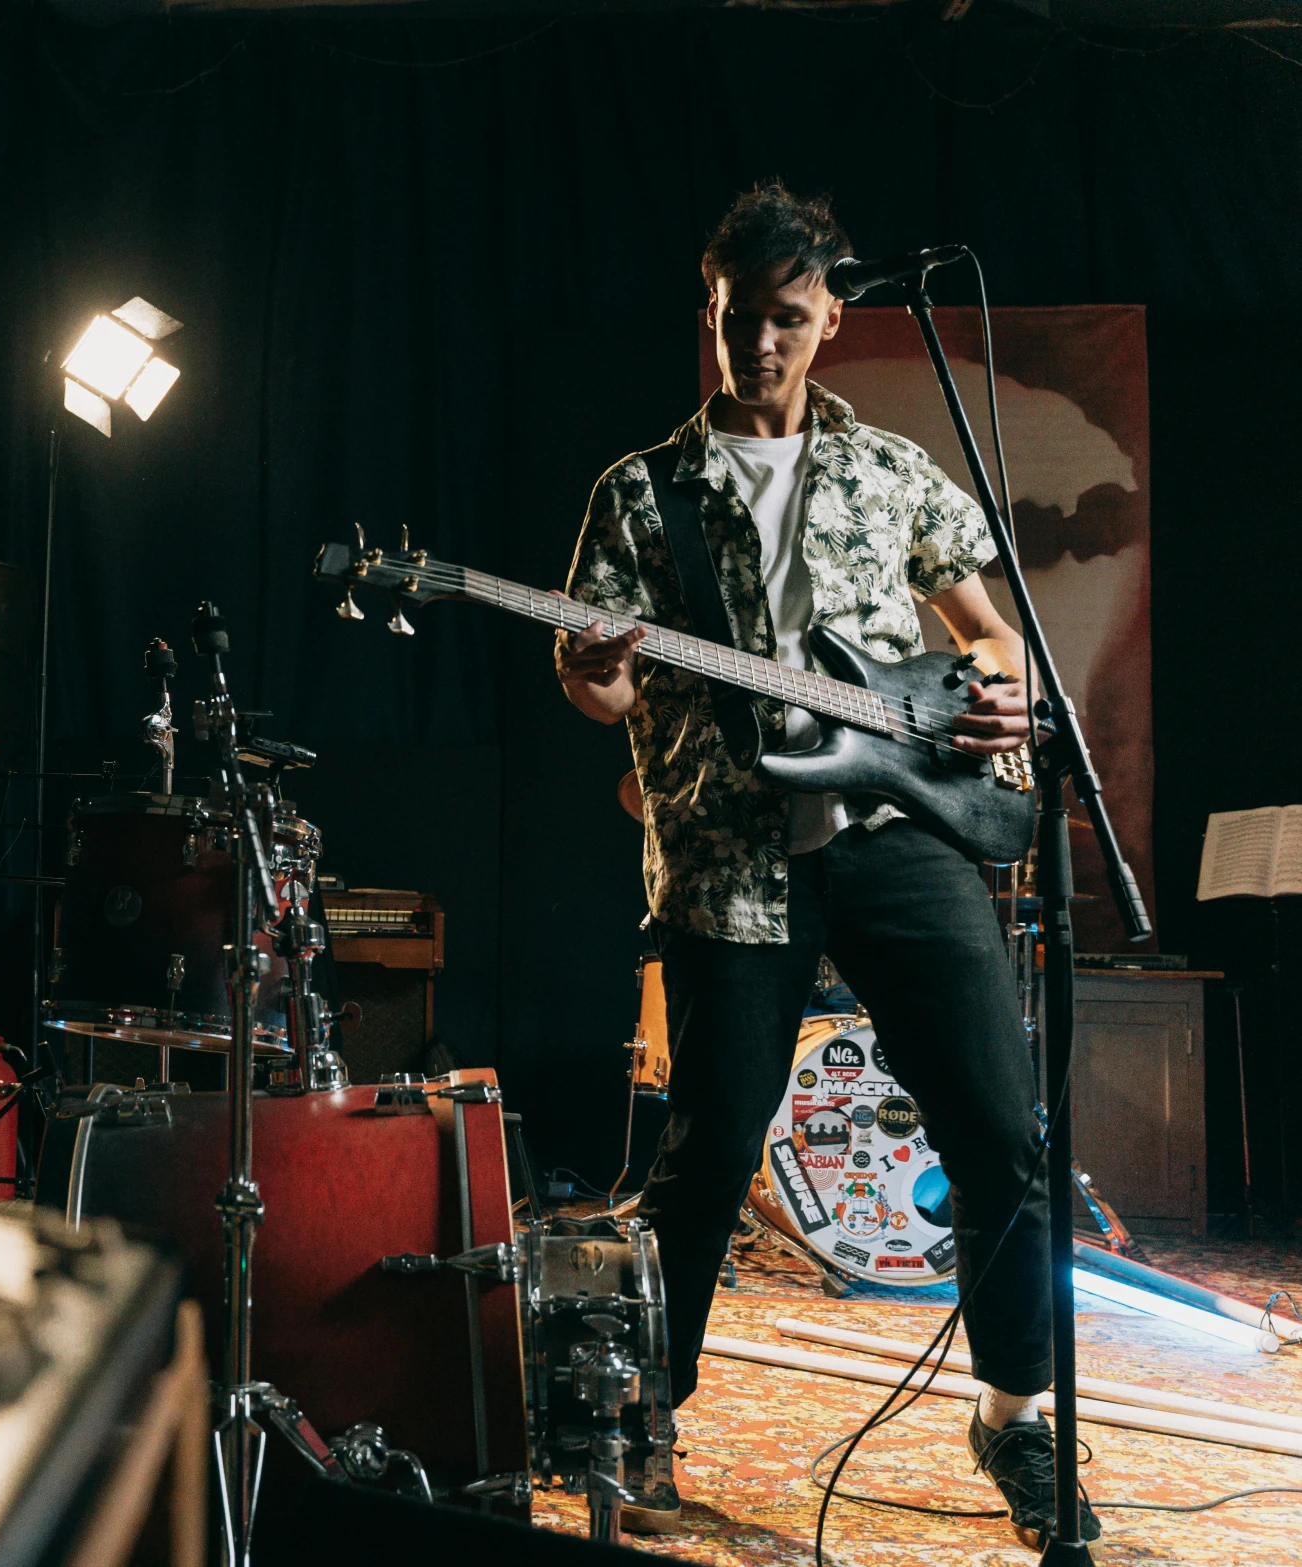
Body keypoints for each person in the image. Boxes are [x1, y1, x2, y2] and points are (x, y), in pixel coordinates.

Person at [554, 182, 1093, 1550]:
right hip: (727, 861)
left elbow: (987, 636)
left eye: (786, 320)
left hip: (899, 837)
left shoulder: (892, 469)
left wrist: (988, 689)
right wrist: (593, 671)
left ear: (829, 317)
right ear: (710, 314)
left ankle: (1013, 1418)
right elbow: (601, 697)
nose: (759, 345)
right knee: (706, 1151)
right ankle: (645, 1415)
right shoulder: (639, 491)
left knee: (1001, 1138)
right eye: (737, 320)